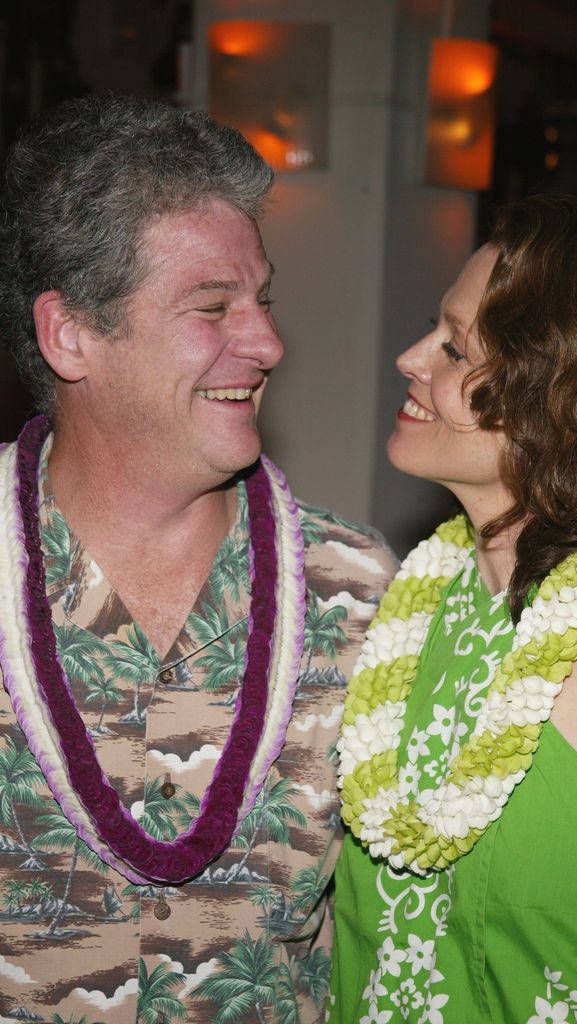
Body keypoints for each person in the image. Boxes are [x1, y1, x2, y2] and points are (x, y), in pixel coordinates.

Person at [0, 94, 397, 1023]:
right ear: (71, 335)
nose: (265, 344)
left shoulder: (360, 593)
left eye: (262, 300)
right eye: (212, 307)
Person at [330, 196, 577, 1024]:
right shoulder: (399, 618)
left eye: (453, 348)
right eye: (433, 329)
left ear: (561, 395)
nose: (410, 358)